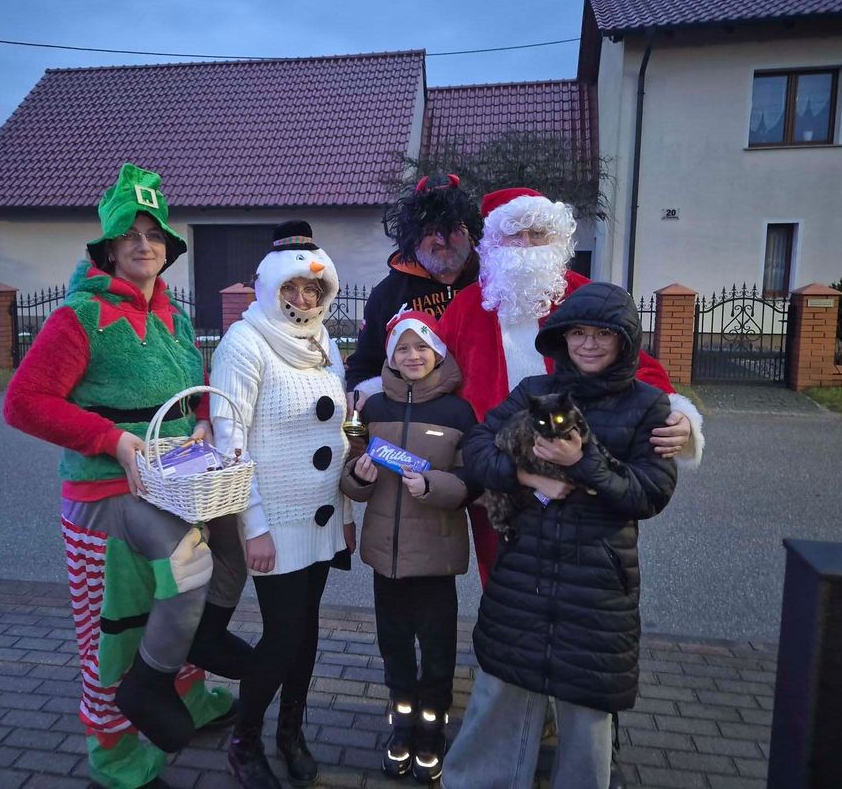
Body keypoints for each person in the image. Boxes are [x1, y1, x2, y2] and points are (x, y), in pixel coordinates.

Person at [3, 164, 250, 789]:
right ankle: (113, 752)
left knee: (228, 550)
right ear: (109, 249)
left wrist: (202, 421)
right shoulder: (79, 317)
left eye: (155, 234)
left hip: (175, 484)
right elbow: (23, 403)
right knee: (127, 619)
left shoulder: (173, 317)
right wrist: (110, 439)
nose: (145, 245)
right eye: (131, 235)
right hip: (107, 494)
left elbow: (193, 388)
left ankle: (188, 691)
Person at [441, 282, 678, 789]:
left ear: (625, 341)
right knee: (503, 688)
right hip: (525, 568)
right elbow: (479, 446)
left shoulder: (649, 405)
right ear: (562, 338)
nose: (588, 345)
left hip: (597, 580)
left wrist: (582, 461)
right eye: (578, 333)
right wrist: (525, 475)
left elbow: (649, 494)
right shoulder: (535, 391)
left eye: (602, 334)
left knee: (586, 705)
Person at [437, 186, 704, 586]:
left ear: (556, 240)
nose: (527, 245)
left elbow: (637, 365)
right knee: (502, 577)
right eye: (514, 234)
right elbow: (431, 373)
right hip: (501, 467)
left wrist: (677, 414)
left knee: (582, 578)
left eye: (537, 234)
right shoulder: (466, 306)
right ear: (494, 242)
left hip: (576, 462)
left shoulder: (583, 296)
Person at [209, 220, 355, 789]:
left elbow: (337, 431)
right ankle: (244, 743)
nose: (302, 298)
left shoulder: (325, 343)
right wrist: (255, 528)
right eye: (291, 288)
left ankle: (291, 733)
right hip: (275, 518)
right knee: (282, 635)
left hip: (322, 514)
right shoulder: (244, 342)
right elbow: (230, 442)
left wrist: (346, 515)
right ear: (270, 288)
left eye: (312, 289)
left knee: (306, 632)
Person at [340, 310, 480, 785]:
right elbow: (352, 475)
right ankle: (402, 725)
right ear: (390, 356)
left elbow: (473, 478)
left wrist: (434, 486)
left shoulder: (458, 412)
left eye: (421, 346)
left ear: (437, 352)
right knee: (394, 648)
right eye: (402, 348)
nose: (412, 356)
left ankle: (433, 730)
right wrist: (359, 477)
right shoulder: (373, 409)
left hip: (436, 557)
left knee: (437, 652)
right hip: (386, 559)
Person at [344, 172, 482, 393]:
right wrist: (361, 395)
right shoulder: (388, 295)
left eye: (452, 229)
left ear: (471, 234)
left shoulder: (493, 285)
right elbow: (363, 367)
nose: (441, 240)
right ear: (412, 240)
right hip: (417, 410)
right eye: (429, 231)